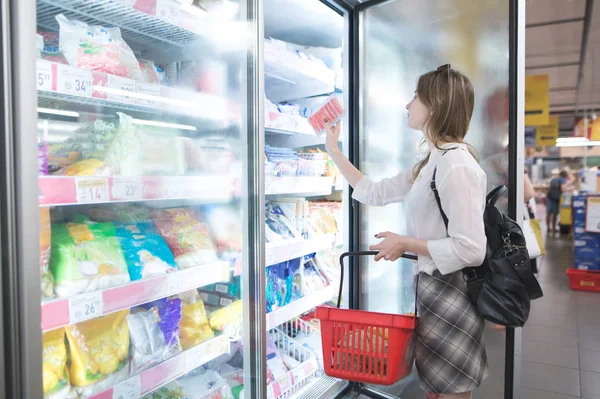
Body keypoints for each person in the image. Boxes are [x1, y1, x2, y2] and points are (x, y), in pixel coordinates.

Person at [325, 65, 487, 399]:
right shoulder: (433, 161)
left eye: (416, 97)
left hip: (451, 292)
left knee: (452, 390)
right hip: (432, 288)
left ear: (437, 105)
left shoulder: (456, 164)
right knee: (436, 387)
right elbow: (374, 191)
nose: (408, 104)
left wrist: (406, 243)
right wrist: (333, 149)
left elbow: (471, 249)